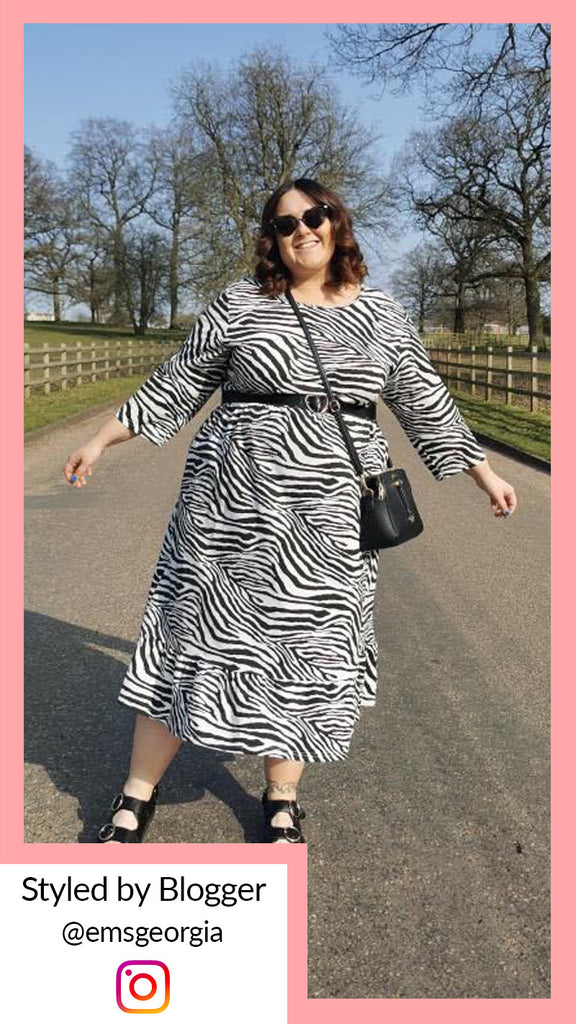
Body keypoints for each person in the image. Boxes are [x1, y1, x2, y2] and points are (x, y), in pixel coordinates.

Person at [63, 178, 517, 844]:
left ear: (337, 222)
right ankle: (136, 793)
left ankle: (281, 798)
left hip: (330, 516)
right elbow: (177, 384)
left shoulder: (383, 313)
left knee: (309, 646)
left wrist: (484, 472)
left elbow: (425, 400)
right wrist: (101, 439)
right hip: (229, 504)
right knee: (192, 632)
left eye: (314, 216)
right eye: (284, 223)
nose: (301, 230)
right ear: (270, 240)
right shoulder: (242, 302)